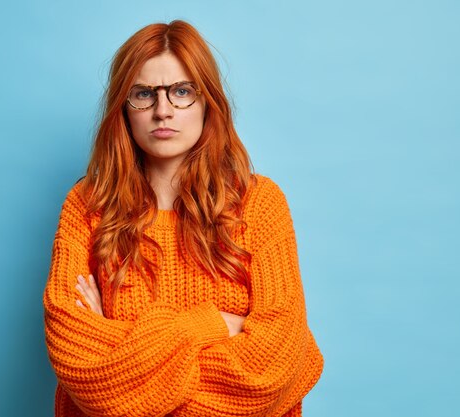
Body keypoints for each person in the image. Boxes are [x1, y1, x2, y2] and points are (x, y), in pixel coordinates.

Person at [43, 20, 324, 417]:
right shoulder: (88, 207)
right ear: (123, 107)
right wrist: (212, 324)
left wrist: (128, 361)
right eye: (144, 94)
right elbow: (82, 370)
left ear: (208, 100)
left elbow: (272, 369)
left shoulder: (259, 203)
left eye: (181, 91)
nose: (163, 111)